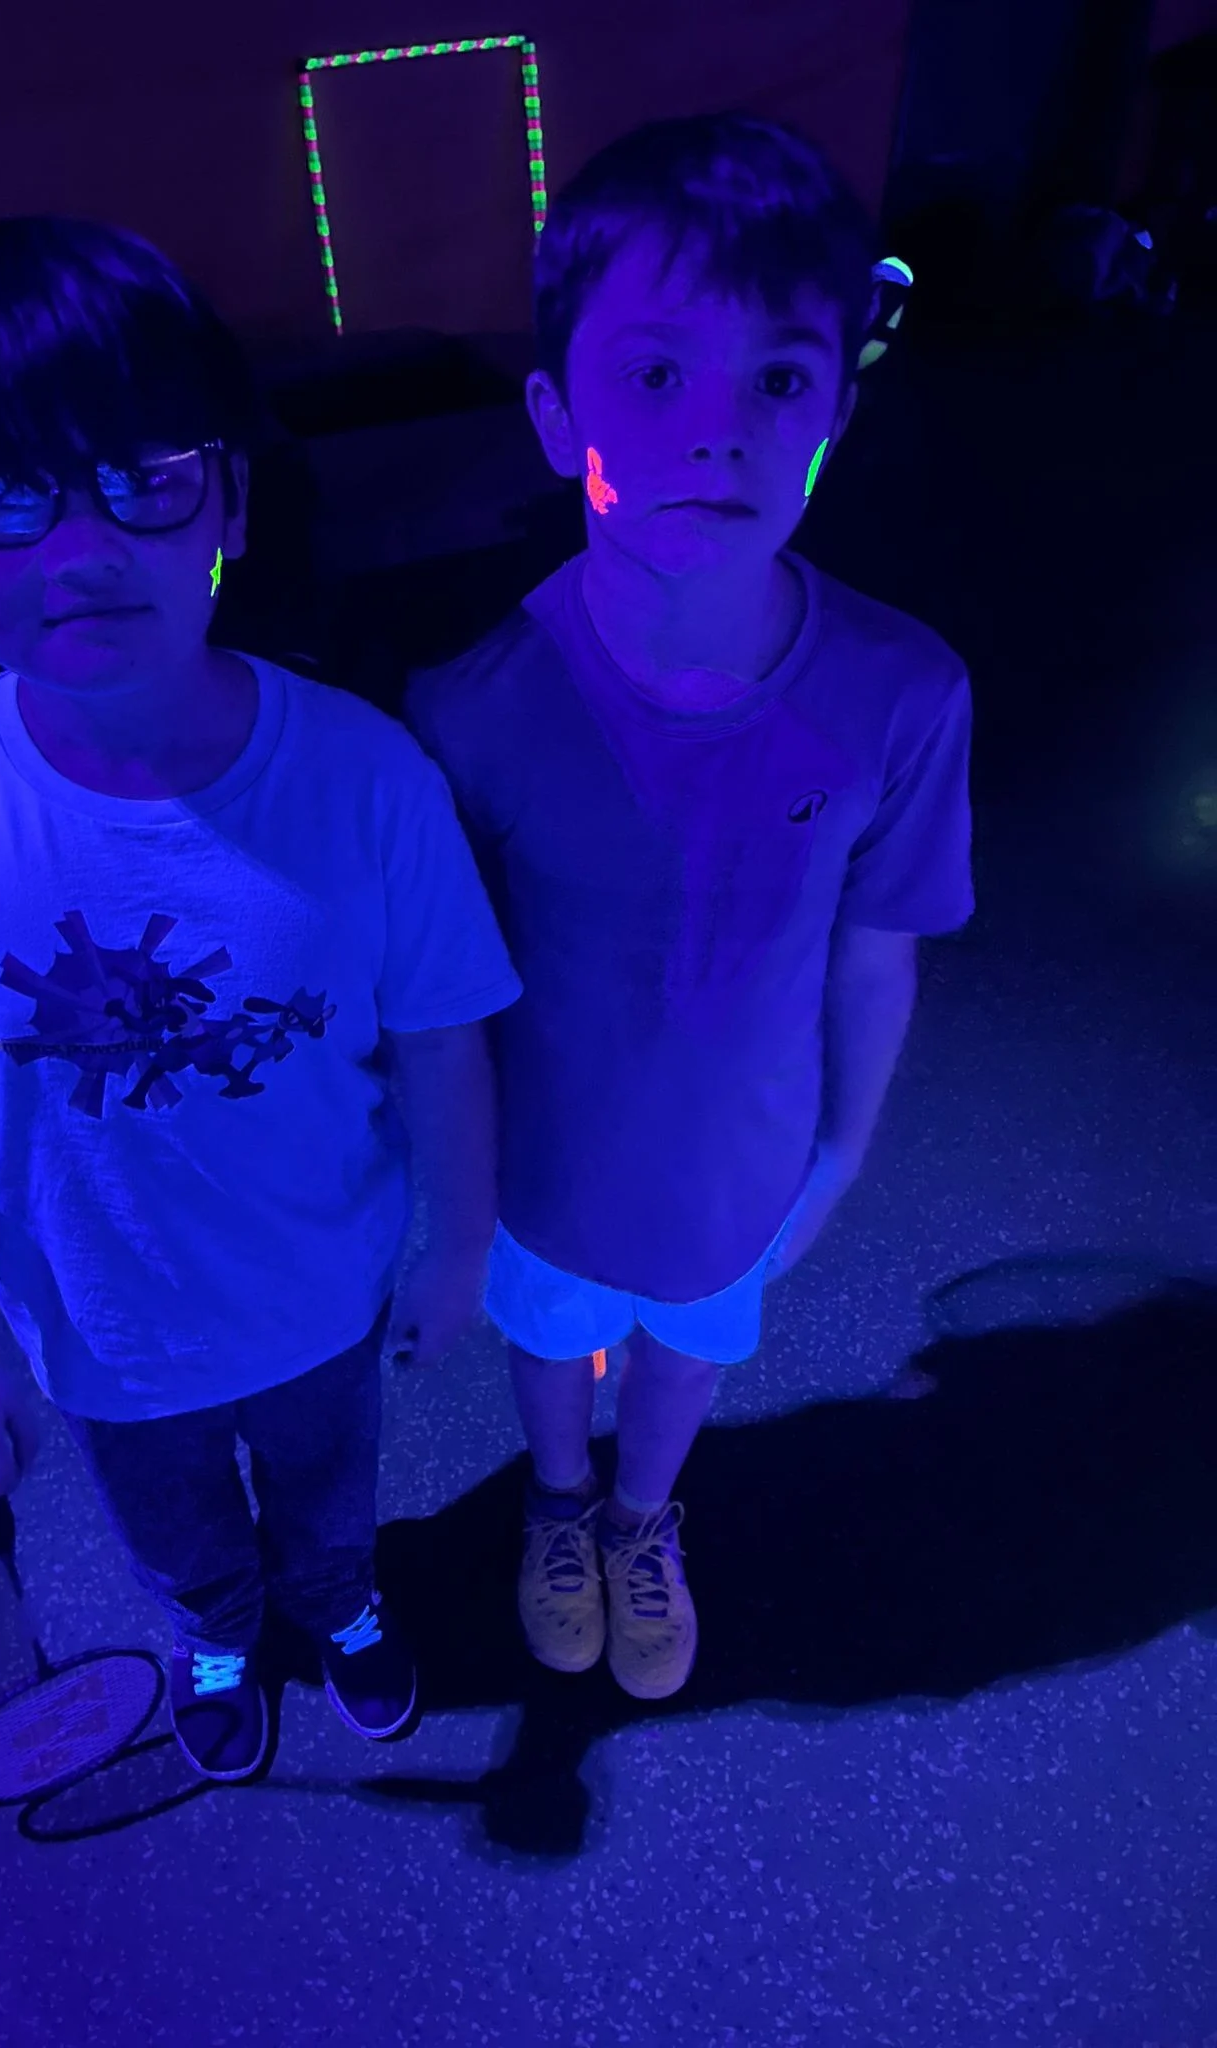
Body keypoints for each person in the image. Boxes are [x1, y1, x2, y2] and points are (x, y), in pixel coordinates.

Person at [0, 217, 522, 1784]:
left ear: (228, 495)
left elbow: (444, 1029)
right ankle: (220, 1634)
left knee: (331, 1487)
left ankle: (343, 1601)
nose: (81, 547)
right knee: (171, 1521)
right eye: (7, 495)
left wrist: (460, 1242)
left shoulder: (366, 777)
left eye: (142, 478)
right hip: (97, 1320)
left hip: (322, 1285)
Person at [405, 113, 974, 1704]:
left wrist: (841, 1154)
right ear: (555, 413)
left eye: (777, 380)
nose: (717, 433)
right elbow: (442, 1009)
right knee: (551, 1341)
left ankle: (643, 1515)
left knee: (696, 1347)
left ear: (835, 411)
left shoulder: (905, 694)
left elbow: (877, 948)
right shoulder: (471, 710)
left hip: (747, 1160)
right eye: (655, 374)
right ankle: (558, 1501)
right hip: (547, 1167)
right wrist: (455, 1200)